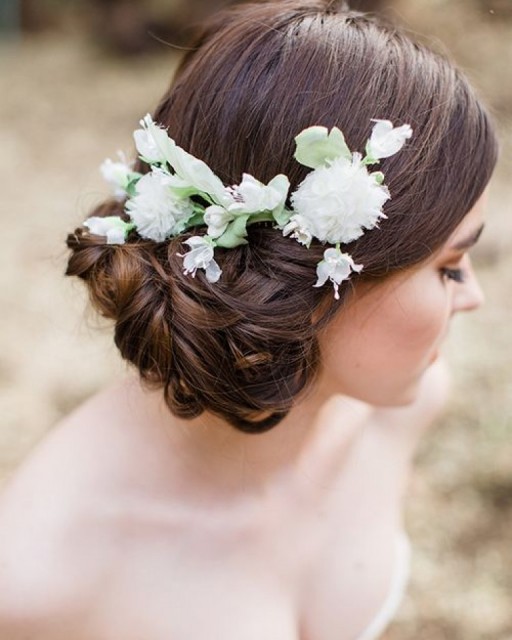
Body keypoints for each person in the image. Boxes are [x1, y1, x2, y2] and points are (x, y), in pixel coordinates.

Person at [0, 1, 498, 639]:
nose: (473, 296)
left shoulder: (405, 406)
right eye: (451, 267)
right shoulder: (41, 576)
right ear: (316, 273)